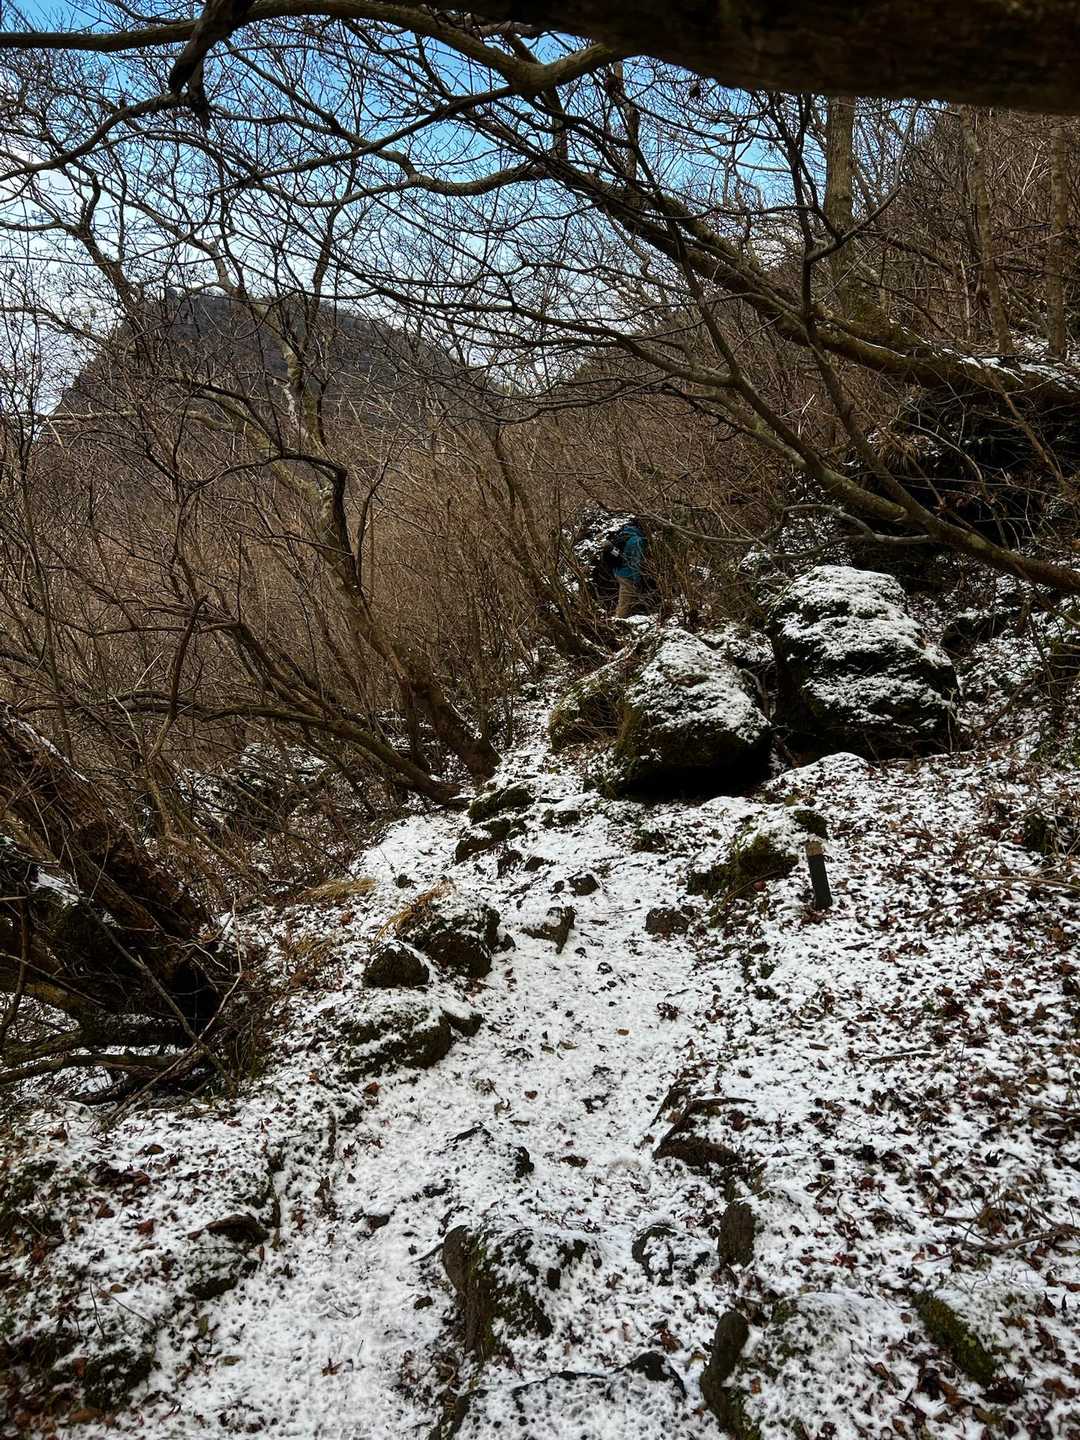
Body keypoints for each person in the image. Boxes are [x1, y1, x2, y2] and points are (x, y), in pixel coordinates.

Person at [607, 517, 648, 619]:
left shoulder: (624, 534)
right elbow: (635, 561)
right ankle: (619, 620)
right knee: (625, 601)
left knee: (628, 599)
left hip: (618, 570)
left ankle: (625, 618)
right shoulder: (636, 541)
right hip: (627, 574)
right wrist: (637, 579)